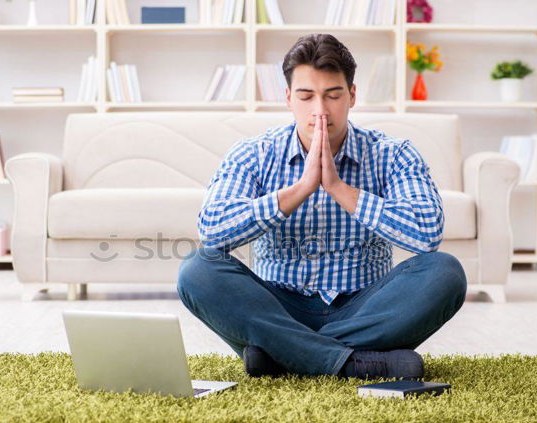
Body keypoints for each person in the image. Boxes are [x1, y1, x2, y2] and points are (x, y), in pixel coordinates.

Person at [176, 33, 467, 380]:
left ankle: (283, 356)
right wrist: (298, 191)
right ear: (288, 98)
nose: (320, 111)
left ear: (352, 95)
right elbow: (212, 229)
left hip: (364, 309)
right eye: (306, 96)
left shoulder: (393, 154)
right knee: (197, 269)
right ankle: (353, 362)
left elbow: (427, 233)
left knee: (445, 272)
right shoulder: (253, 153)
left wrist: (340, 189)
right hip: (279, 309)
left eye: (332, 95)